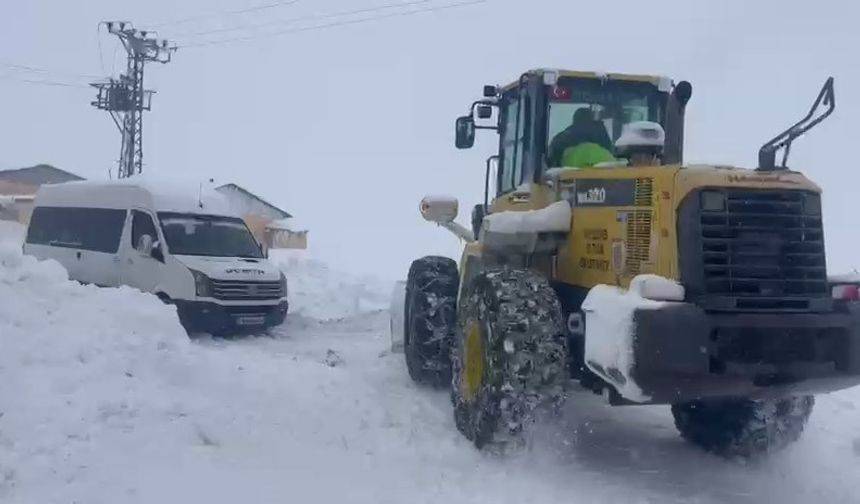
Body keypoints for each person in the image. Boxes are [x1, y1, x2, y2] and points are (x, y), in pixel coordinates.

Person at [547, 107, 615, 168]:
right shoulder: (601, 135)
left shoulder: (561, 139)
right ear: (592, 119)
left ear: (574, 120)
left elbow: (551, 164)